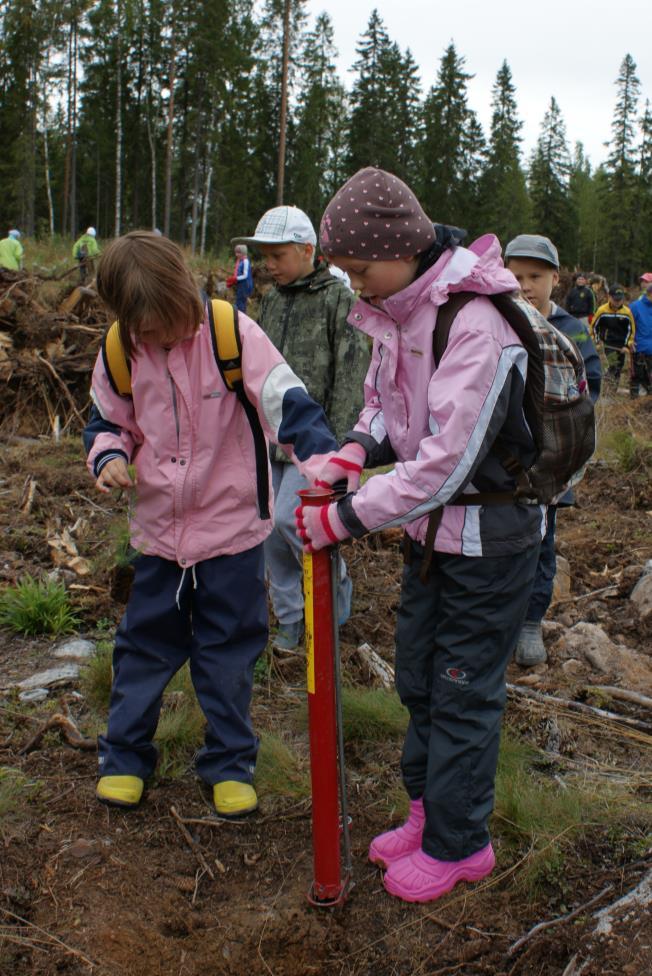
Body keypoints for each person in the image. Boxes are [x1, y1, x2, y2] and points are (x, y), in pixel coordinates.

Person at [296, 167, 544, 904]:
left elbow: (445, 460)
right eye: (342, 273)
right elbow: (384, 406)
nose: (355, 286)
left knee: (464, 692)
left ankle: (461, 844)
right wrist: (355, 450)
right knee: (418, 681)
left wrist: (344, 515)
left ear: (401, 248)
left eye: (360, 269)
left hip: (489, 542)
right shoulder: (397, 311)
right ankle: (427, 811)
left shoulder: (478, 321)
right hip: (430, 538)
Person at [83, 231, 339, 814]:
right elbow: (105, 422)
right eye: (150, 330)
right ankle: (124, 756)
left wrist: (325, 467)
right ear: (127, 319)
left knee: (228, 652)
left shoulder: (231, 333)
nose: (166, 337)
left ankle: (229, 762)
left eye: (173, 322)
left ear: (187, 296)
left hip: (231, 534)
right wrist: (110, 458)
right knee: (143, 648)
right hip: (159, 537)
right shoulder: (119, 351)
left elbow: (287, 404)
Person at [232, 206, 369, 652]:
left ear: (308, 249)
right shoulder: (269, 301)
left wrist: (345, 443)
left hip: (318, 441)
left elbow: (352, 372)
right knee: (267, 527)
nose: (269, 265)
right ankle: (292, 618)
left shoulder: (338, 299)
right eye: (264, 256)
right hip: (271, 437)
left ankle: (334, 590)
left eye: (278, 255)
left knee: (296, 519)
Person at [504, 235, 601, 666]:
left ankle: (530, 621)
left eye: (535, 276)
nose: (524, 285)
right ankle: (501, 619)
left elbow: (589, 387)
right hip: (505, 461)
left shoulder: (572, 328)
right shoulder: (501, 320)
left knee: (542, 542)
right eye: (515, 275)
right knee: (504, 540)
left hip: (552, 463)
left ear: (555, 278)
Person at [591, 285, 635, 393]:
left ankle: (613, 390)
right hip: (608, 344)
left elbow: (631, 330)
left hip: (622, 345)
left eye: (619, 299)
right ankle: (607, 389)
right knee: (613, 364)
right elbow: (594, 327)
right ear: (609, 297)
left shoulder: (627, 312)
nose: (617, 302)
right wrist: (596, 341)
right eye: (615, 299)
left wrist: (627, 346)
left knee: (619, 368)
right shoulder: (602, 310)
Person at [629, 281, 652, 397]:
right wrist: (629, 341)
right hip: (639, 349)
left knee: (649, 381)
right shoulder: (635, 306)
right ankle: (633, 405)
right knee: (637, 378)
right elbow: (627, 326)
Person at [226, 243, 254, 313]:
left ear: (243, 253)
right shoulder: (240, 261)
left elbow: (245, 275)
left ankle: (241, 316)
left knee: (241, 302)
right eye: (236, 252)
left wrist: (235, 279)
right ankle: (239, 315)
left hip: (245, 285)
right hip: (241, 284)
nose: (236, 255)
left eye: (238, 253)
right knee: (239, 301)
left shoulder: (245, 261)